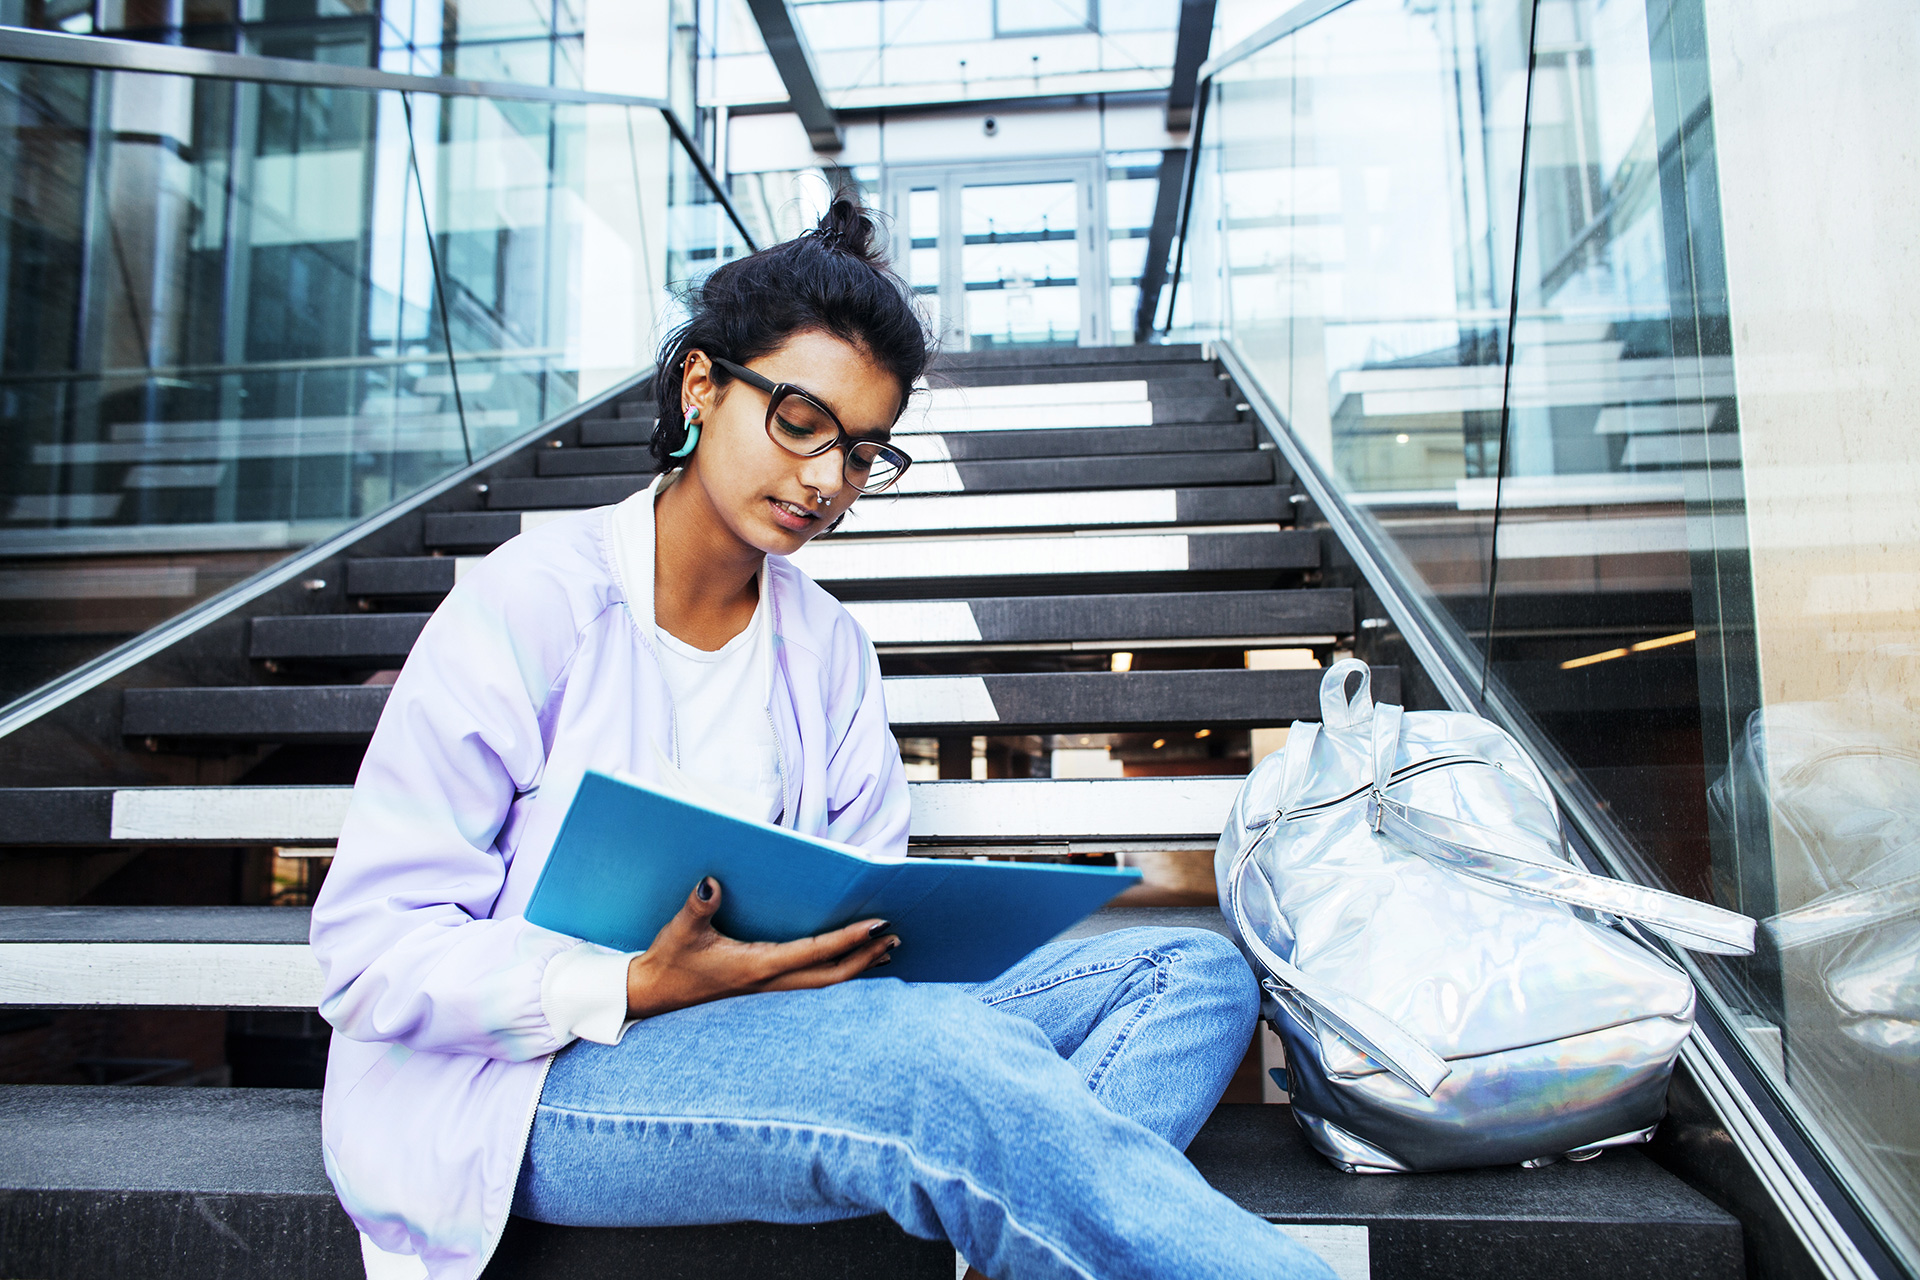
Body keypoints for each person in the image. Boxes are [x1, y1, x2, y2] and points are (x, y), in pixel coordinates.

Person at [309, 198, 1336, 1280]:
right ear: (702, 384)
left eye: (861, 453)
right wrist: (630, 983)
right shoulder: (531, 602)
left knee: (1191, 970)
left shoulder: (828, 644)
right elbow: (369, 950)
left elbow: (863, 896)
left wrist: (874, 949)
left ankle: (1022, 1216)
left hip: (793, 1025)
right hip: (542, 1079)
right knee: (941, 1064)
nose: (824, 481)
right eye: (800, 421)